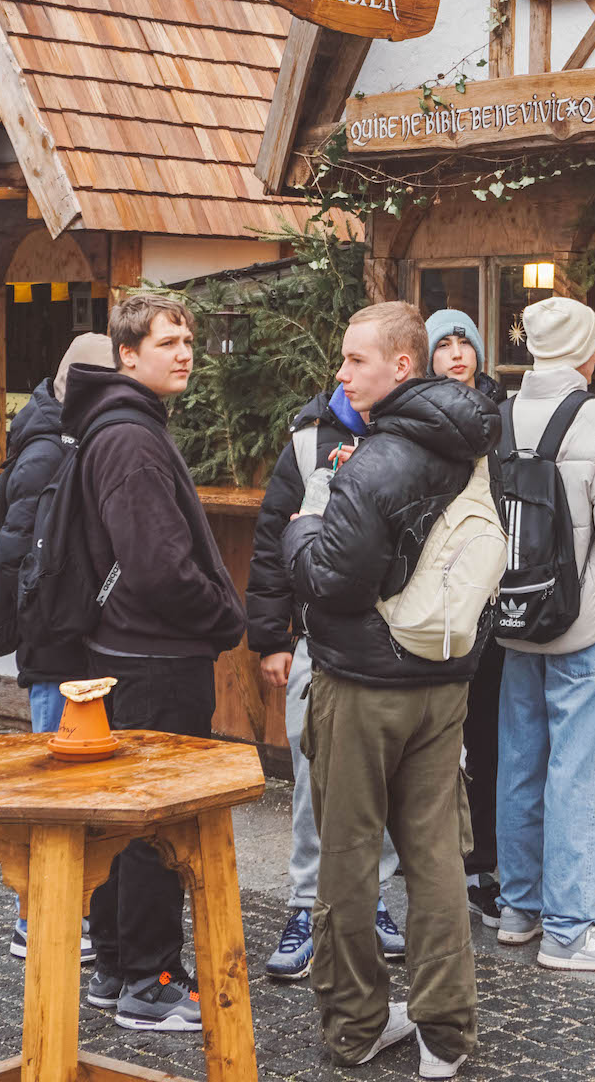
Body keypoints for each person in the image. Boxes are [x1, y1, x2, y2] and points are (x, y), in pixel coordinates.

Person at [284, 301, 499, 1079]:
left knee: (346, 858)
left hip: (364, 684)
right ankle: (446, 1035)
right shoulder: (473, 444)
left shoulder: (375, 461)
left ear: (401, 367)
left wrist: (304, 523)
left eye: (355, 361)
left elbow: (331, 584)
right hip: (444, 682)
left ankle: (357, 1026)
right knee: (438, 859)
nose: (341, 374)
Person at [62, 292, 246, 1033]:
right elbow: (158, 567)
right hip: (154, 659)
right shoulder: (132, 438)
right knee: (152, 826)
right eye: (168, 341)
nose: (184, 352)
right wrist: (226, 615)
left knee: (123, 821)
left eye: (188, 340)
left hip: (131, 651)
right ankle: (151, 981)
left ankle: (115, 968)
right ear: (127, 356)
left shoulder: (120, 426)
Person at [494, 294, 595, 973]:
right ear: (588, 352)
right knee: (581, 773)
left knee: (520, 764)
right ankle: (571, 929)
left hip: (516, 616)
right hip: (584, 620)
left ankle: (520, 908)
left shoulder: (499, 414)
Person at [246, 378, 403, 982]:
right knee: (315, 773)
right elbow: (272, 540)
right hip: (318, 638)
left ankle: (373, 898)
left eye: (357, 361)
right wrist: (271, 636)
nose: (345, 374)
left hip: (395, 642)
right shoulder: (309, 443)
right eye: (343, 361)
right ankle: (305, 905)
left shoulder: (411, 437)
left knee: (385, 777)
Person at [0, 331, 115, 962]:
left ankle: (57, 914)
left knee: (66, 777)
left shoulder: (61, 433)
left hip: (59, 640)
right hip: (53, 645)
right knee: (52, 782)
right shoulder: (49, 446)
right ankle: (35, 921)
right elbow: (17, 552)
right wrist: (40, 623)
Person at [424, 309, 505, 930]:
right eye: (444, 345)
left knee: (488, 735)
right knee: (440, 741)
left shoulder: (501, 415)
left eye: (465, 343)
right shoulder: (421, 417)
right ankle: (444, 861)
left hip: (496, 596)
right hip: (442, 601)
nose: (457, 353)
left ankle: (484, 863)